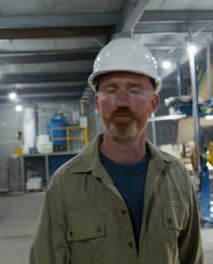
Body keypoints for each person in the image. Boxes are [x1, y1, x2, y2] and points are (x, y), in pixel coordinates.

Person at [30, 38, 203, 263]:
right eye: (111, 90)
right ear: (98, 103)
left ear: (153, 102)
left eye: (134, 90)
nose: (122, 102)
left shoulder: (177, 177)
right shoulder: (65, 184)